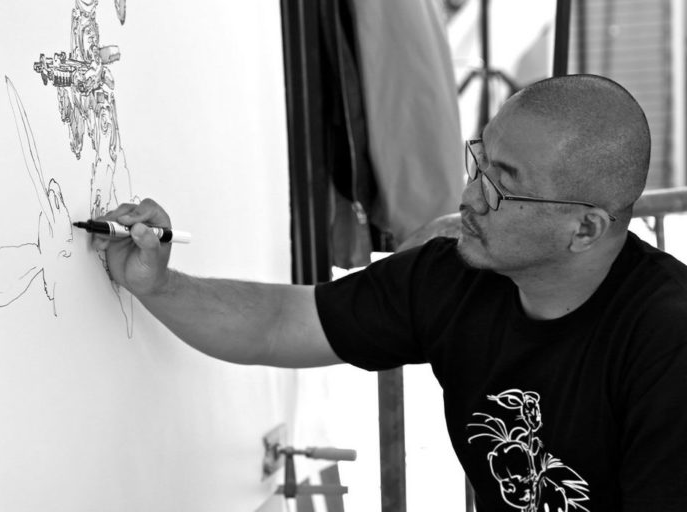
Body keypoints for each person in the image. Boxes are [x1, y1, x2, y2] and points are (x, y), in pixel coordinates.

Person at [94, 74, 687, 511]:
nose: (469, 197)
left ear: (585, 229)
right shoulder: (454, 275)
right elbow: (279, 324)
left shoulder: (666, 341)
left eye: (501, 188)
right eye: (478, 161)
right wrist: (159, 284)